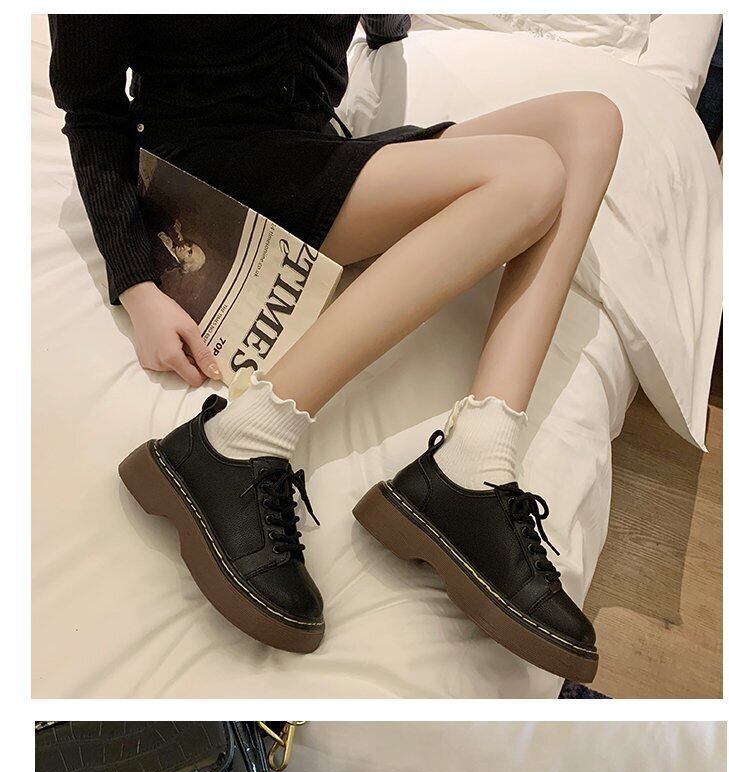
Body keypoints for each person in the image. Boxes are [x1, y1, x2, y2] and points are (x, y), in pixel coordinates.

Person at [50, 14, 622, 677]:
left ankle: (479, 455)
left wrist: (386, 34)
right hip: (214, 168)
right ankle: (242, 436)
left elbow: (383, 25)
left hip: (312, 152)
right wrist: (136, 284)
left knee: (590, 122)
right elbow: (91, 109)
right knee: (530, 176)